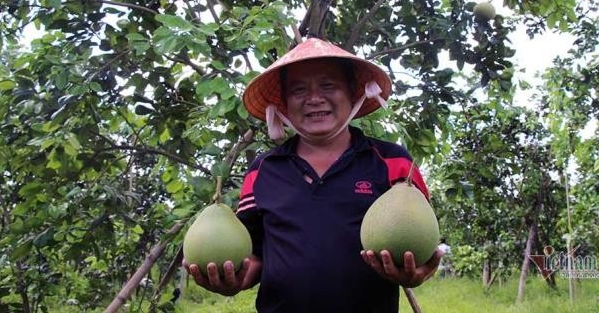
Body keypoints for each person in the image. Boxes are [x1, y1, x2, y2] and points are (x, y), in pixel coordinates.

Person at [184, 38, 441, 312]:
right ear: (283, 103)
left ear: (353, 93)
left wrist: (418, 270)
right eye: (298, 90)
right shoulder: (262, 171)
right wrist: (234, 278)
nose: (314, 98)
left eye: (328, 85)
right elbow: (254, 253)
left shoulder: (394, 162)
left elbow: (422, 238)